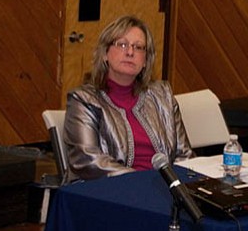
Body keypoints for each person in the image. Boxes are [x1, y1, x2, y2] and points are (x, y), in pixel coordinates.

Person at [63, 15, 194, 180]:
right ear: (105, 54)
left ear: (146, 60)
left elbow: (184, 155)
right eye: (122, 44)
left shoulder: (163, 96)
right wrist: (143, 181)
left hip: (165, 189)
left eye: (139, 47)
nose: (130, 52)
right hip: (111, 191)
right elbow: (87, 160)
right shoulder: (83, 100)